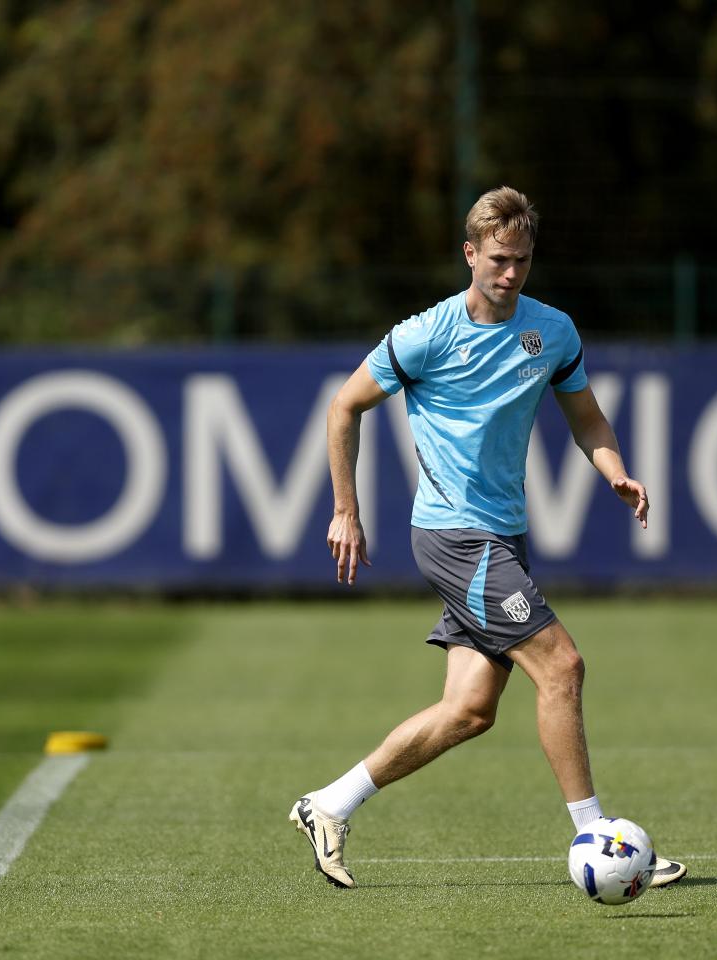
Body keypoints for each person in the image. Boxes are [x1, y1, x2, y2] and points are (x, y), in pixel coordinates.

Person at [289, 186, 687, 891]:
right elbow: (344, 406)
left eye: (522, 260)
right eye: (499, 259)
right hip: (454, 537)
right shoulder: (426, 334)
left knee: (469, 710)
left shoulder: (552, 331)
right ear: (469, 254)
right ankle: (599, 838)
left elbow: (587, 418)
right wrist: (344, 510)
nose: (511, 273)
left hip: (503, 537)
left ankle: (329, 804)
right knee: (562, 667)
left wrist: (616, 471)